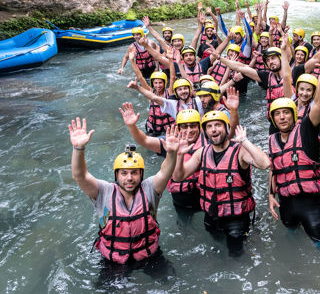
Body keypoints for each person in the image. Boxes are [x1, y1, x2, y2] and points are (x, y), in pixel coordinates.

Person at [68, 117, 180, 264]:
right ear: (116, 175)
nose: (129, 178)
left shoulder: (150, 189)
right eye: (124, 173)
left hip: (148, 255)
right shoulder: (103, 192)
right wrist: (78, 148)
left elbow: (165, 171)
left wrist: (171, 153)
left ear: (141, 175)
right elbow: (79, 176)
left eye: (134, 173)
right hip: (113, 259)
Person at [267, 43, 320, 248]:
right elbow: (273, 168)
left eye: (286, 112)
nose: (282, 117)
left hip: (310, 206)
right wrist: (270, 195)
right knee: (291, 240)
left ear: (293, 114)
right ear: (273, 119)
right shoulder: (273, 139)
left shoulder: (306, 128)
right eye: (277, 114)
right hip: (286, 206)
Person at [177, 111, 270, 256]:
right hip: (211, 217)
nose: (213, 129)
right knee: (219, 247)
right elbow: (179, 176)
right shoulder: (201, 153)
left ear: (226, 128)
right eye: (209, 126)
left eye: (218, 125)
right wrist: (178, 155)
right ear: (206, 132)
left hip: (236, 220)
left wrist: (244, 141)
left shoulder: (240, 151)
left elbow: (265, 164)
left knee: (236, 254)